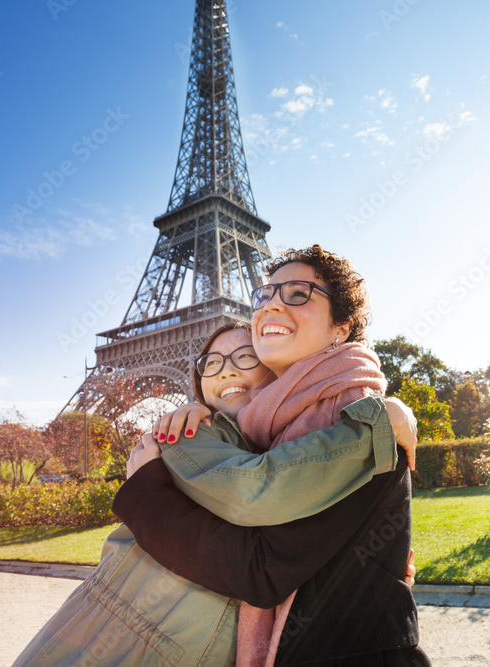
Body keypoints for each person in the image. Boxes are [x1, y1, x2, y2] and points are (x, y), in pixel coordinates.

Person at [14, 323, 415, 663]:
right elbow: (256, 503)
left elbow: (282, 553)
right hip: (113, 634)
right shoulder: (185, 436)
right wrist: (377, 424)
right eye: (212, 362)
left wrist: (367, 569)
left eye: (245, 356)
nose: (225, 371)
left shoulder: (287, 449)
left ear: (279, 372)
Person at [115, 246, 430, 666]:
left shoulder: (358, 420)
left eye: (299, 292)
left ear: (342, 327)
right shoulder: (262, 429)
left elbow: (259, 568)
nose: (273, 304)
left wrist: (147, 497)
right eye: (265, 295)